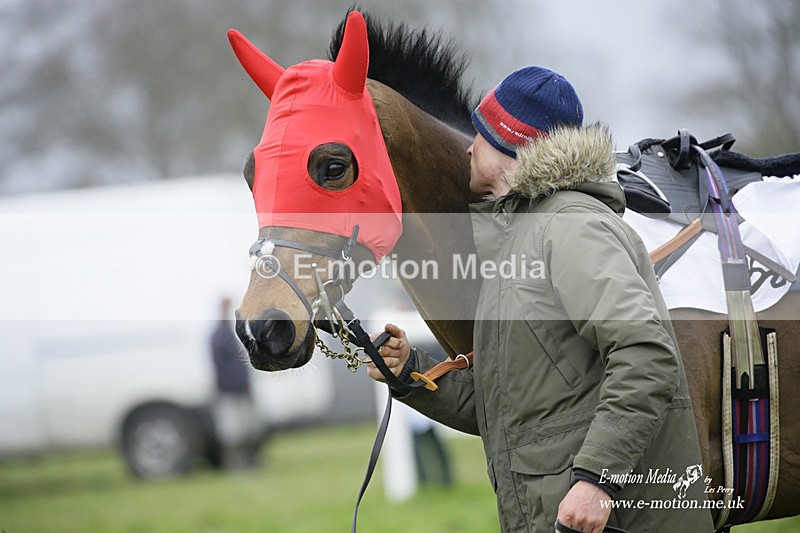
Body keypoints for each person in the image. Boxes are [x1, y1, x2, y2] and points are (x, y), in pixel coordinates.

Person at [368, 67, 714, 532]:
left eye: (483, 135)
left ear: (514, 147)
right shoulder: (519, 242)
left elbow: (646, 355)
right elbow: (507, 412)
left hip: (613, 517)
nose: (468, 146)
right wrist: (410, 373)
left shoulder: (572, 226)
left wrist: (597, 481)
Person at [210, 297, 259, 470]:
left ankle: (247, 463)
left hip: (238, 388)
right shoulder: (219, 336)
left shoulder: (227, 334)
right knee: (233, 431)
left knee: (246, 428)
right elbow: (223, 366)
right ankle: (236, 465)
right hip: (230, 390)